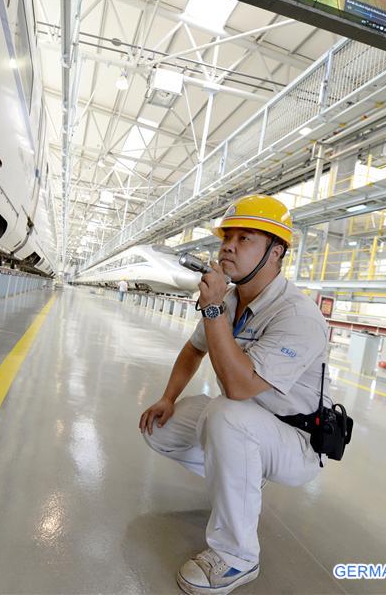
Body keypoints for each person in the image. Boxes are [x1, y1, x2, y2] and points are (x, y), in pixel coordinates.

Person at [139, 194, 331, 595]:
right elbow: (194, 349)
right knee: (163, 428)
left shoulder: (298, 316)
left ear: (275, 253)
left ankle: (237, 557)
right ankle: (244, 477)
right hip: (248, 423)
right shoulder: (230, 300)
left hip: (294, 440)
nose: (228, 245)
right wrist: (168, 397)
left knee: (228, 412)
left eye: (245, 238)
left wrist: (211, 312)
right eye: (227, 236)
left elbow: (239, 387)